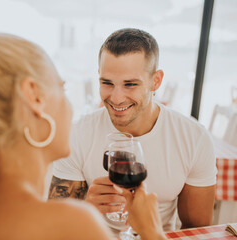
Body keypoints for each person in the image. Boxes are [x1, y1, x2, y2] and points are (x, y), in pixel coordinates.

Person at [0, 19, 170, 240]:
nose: (69, 106)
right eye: (62, 89)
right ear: (34, 96)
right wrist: (152, 232)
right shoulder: (76, 224)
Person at [49, 28, 217, 231]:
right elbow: (55, 228)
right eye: (107, 83)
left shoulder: (194, 139)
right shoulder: (77, 134)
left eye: (130, 84)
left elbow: (197, 231)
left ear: (156, 81)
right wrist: (86, 209)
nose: (117, 98)